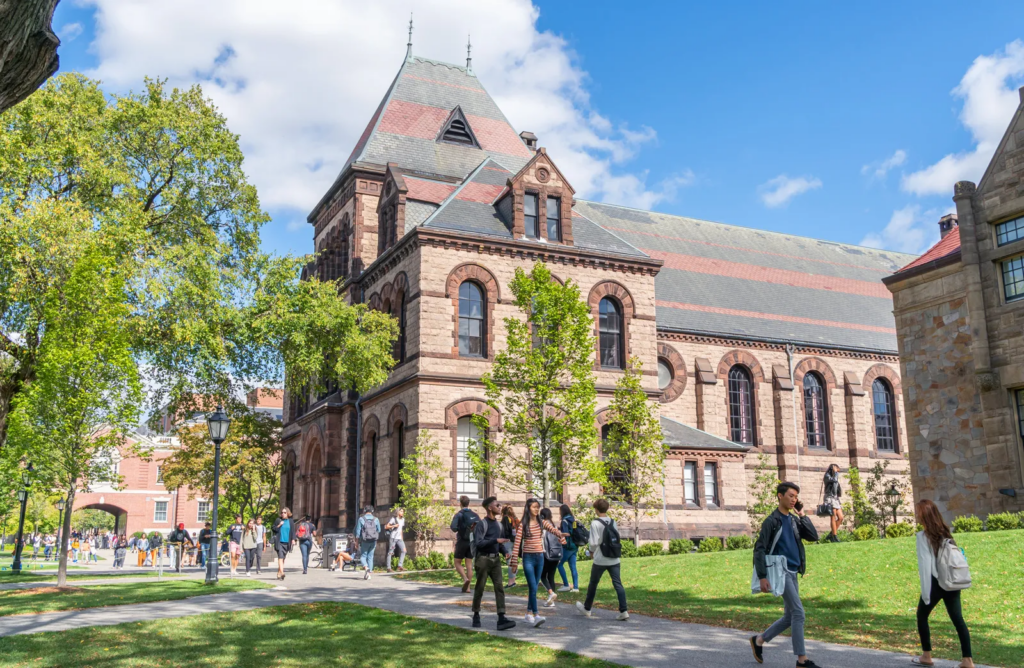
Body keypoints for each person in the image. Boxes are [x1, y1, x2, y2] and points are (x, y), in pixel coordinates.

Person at [751, 482, 820, 668]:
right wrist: (763, 576)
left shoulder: (793, 520)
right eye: (791, 495)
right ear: (780, 496)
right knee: (798, 613)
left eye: (796, 497)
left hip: (793, 571)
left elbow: (813, 537)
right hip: (780, 572)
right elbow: (759, 549)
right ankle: (801, 660)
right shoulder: (772, 521)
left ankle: (759, 640)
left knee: (790, 616)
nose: (794, 499)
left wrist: (802, 514)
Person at [913, 499, 974, 668]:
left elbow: (926, 566)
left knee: (922, 615)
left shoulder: (922, 537)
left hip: (935, 582)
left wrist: (926, 594)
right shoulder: (945, 531)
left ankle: (926, 656)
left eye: (918, 512)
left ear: (924, 515)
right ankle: (967, 660)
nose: (916, 516)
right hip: (952, 581)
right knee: (958, 619)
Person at [509, 498, 562, 627]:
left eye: (538, 507)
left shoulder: (541, 522)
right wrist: (514, 562)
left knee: (534, 588)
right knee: (533, 587)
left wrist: (561, 535)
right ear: (528, 508)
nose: (536, 509)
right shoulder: (523, 524)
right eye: (534, 507)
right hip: (528, 558)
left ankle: (528, 613)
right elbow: (517, 543)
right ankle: (536, 615)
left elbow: (553, 529)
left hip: (540, 557)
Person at [575, 497, 629, 621]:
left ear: (596, 509)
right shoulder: (612, 521)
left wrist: (591, 552)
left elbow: (593, 542)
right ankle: (624, 610)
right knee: (618, 584)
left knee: (593, 583)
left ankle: (587, 608)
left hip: (600, 559)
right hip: (614, 558)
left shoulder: (595, 523)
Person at [470, 496, 516, 631]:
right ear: (490, 508)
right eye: (497, 505)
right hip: (483, 560)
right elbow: (479, 543)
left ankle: (501, 618)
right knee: (480, 588)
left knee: (499, 588)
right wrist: (495, 541)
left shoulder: (499, 525)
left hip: (495, 560)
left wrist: (504, 552)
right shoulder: (481, 524)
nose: (500, 507)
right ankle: (476, 614)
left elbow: (499, 543)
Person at [450, 496, 479, 593]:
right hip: (472, 541)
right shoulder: (475, 514)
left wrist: (460, 529)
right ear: (468, 503)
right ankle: (468, 588)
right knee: (469, 565)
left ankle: (465, 578)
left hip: (462, 541)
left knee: (457, 562)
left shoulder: (459, 515)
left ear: (460, 503)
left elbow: (453, 527)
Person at [538, 507, 566, 608]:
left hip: (546, 554)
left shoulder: (543, 525)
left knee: (542, 576)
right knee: (551, 577)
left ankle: (551, 593)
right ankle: (552, 600)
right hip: (556, 555)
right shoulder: (554, 525)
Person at [557, 503, 580, 592]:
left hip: (568, 546)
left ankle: (566, 584)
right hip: (574, 545)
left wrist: (559, 533)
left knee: (559, 564)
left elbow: (567, 533)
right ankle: (576, 587)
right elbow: (574, 531)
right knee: (573, 566)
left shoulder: (564, 521)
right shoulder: (573, 520)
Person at [354, 506, 380, 580]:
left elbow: (358, 532)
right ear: (372, 511)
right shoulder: (376, 519)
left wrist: (356, 541)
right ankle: (369, 574)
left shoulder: (361, 519)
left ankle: (366, 567)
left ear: (365, 511)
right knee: (370, 557)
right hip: (373, 540)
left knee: (363, 556)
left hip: (365, 540)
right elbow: (379, 530)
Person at [272, 507, 296, 580]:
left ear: (288, 513)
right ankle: (282, 572)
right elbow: (273, 529)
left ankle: (279, 572)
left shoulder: (291, 521)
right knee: (280, 556)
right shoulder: (278, 520)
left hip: (287, 542)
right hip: (279, 542)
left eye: (284, 512)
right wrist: (279, 525)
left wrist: (293, 539)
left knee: (283, 558)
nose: (283, 514)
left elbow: (292, 531)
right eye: (282, 512)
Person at [823, 464, 844, 543]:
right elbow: (834, 480)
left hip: (835, 498)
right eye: (836, 468)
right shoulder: (827, 476)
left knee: (841, 517)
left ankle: (831, 534)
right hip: (830, 498)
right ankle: (834, 537)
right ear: (832, 468)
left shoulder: (835, 475)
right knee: (833, 517)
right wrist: (835, 473)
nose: (838, 470)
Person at [500, 505, 520, 587]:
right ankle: (513, 581)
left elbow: (505, 530)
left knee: (510, 563)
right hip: (515, 542)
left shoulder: (505, 518)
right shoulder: (515, 519)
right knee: (513, 562)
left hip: (508, 541)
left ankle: (510, 582)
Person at [385, 508, 407, 573]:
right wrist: (394, 525)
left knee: (404, 551)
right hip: (393, 538)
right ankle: (388, 568)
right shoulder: (393, 519)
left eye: (403, 511)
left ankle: (400, 566)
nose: (402, 512)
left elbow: (401, 530)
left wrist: (402, 539)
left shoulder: (403, 520)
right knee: (390, 552)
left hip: (399, 538)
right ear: (398, 512)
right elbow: (386, 526)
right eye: (401, 511)